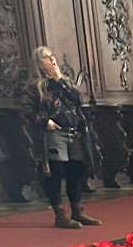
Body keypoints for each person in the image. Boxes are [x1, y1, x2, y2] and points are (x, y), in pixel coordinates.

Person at [22, 48, 100, 229]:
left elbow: (78, 100)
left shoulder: (64, 81)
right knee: (56, 172)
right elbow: (27, 111)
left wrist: (60, 80)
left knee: (76, 170)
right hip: (54, 133)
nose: (52, 60)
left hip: (74, 131)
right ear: (39, 63)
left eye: (52, 56)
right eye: (46, 58)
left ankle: (77, 211)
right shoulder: (34, 86)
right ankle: (60, 215)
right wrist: (45, 121)